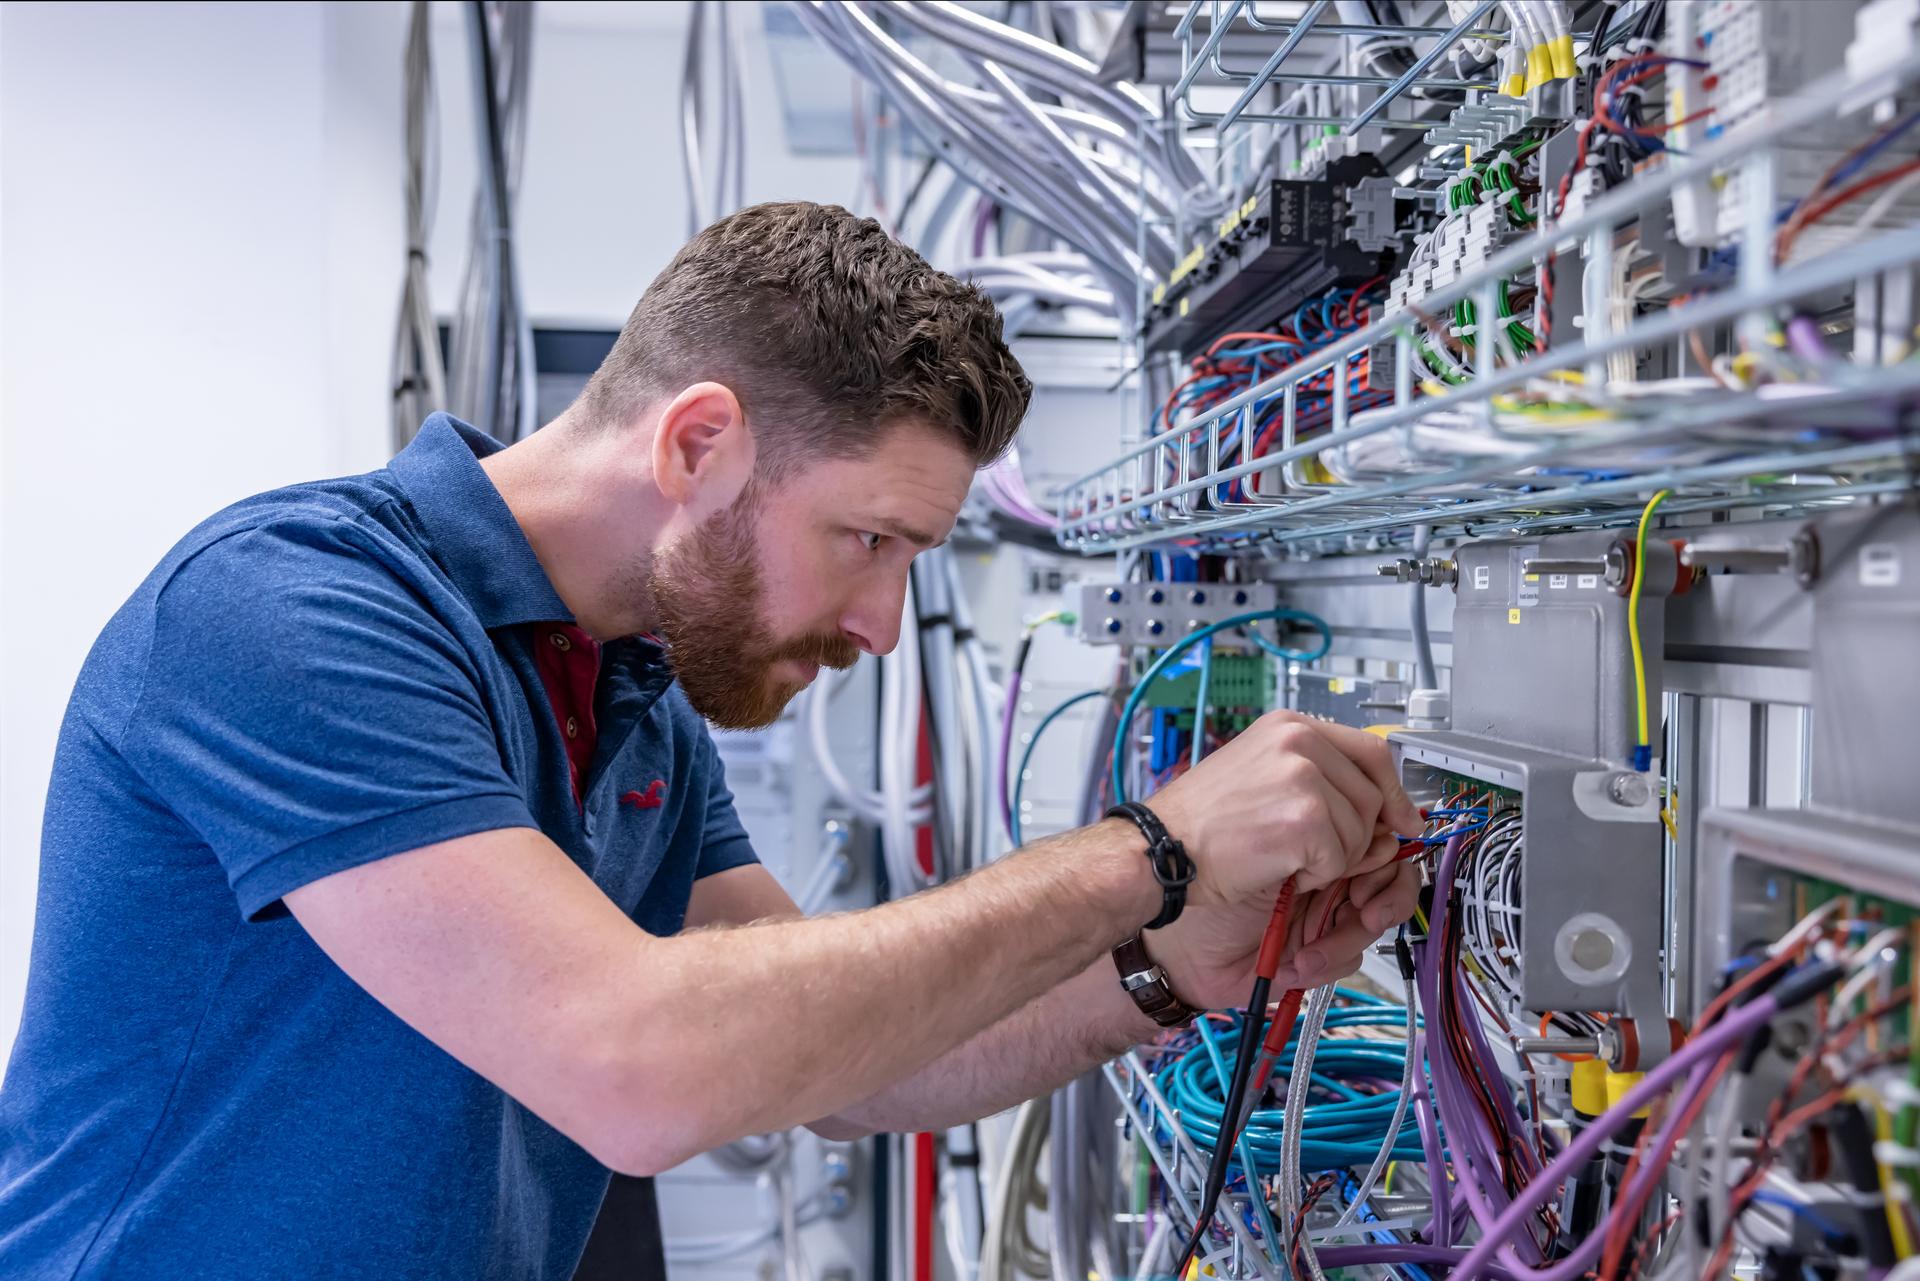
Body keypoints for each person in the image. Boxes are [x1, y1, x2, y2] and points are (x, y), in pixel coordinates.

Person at [0, 201, 1422, 1280]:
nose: (881, 624)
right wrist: (1152, 851)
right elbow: (638, 1067)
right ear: (697, 444)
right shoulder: (295, 611)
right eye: (868, 540)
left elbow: (855, 1068)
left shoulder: (630, 698)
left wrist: (1172, 968)